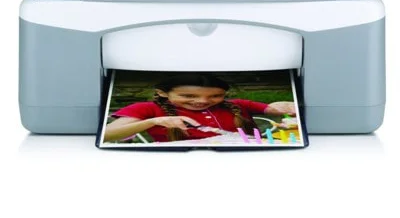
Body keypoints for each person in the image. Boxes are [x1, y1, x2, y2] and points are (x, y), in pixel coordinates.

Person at [104, 73, 296, 143]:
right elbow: (107, 135)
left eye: (215, 96)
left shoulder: (237, 105)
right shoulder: (146, 108)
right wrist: (155, 121)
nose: (203, 101)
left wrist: (283, 107)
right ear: (162, 93)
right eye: (188, 96)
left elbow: (272, 109)